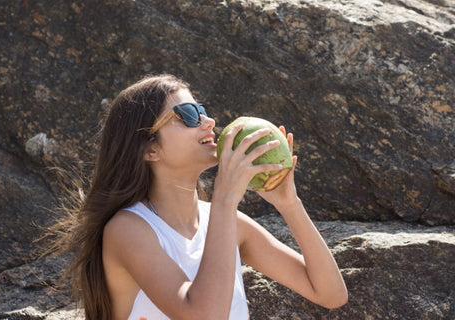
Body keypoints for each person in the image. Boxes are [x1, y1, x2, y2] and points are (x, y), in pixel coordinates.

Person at [49, 74, 347, 320]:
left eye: (202, 110)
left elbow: (331, 294)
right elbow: (204, 315)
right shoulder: (128, 230)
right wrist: (225, 199)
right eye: (189, 115)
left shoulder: (226, 223)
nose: (209, 121)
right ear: (150, 149)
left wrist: (289, 203)